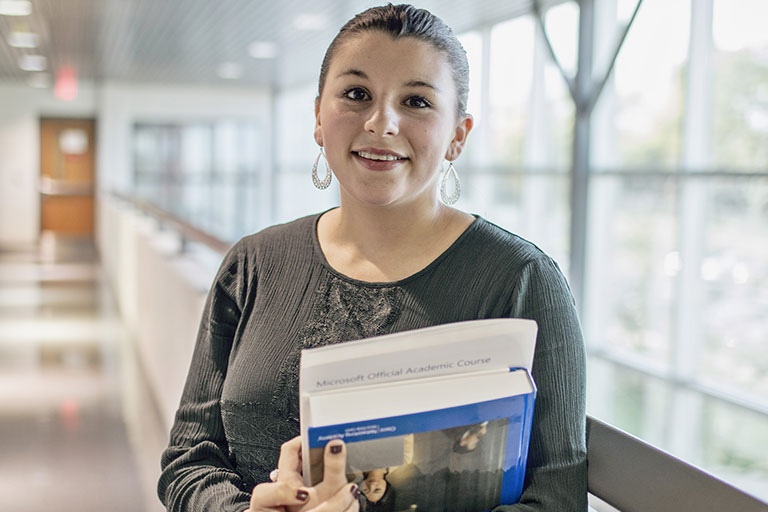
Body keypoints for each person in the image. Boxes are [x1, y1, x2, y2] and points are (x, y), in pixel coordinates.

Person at [158, 4, 587, 512]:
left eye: (417, 101)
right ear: (319, 117)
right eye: (357, 94)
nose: (382, 123)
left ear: (458, 135)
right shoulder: (254, 264)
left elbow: (555, 498)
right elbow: (188, 460)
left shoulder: (520, 280)